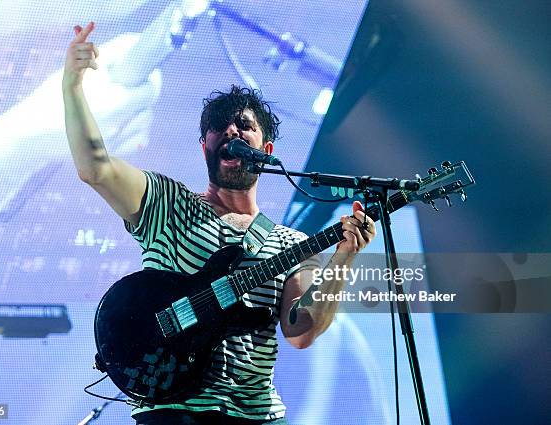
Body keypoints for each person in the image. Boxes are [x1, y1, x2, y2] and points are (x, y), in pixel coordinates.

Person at [63, 22, 376, 425]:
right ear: (204, 145)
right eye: (219, 125)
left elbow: (301, 332)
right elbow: (95, 167)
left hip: (255, 415)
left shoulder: (292, 243)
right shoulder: (166, 203)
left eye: (243, 124)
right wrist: (72, 85)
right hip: (173, 410)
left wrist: (343, 259)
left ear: (266, 149)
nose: (231, 129)